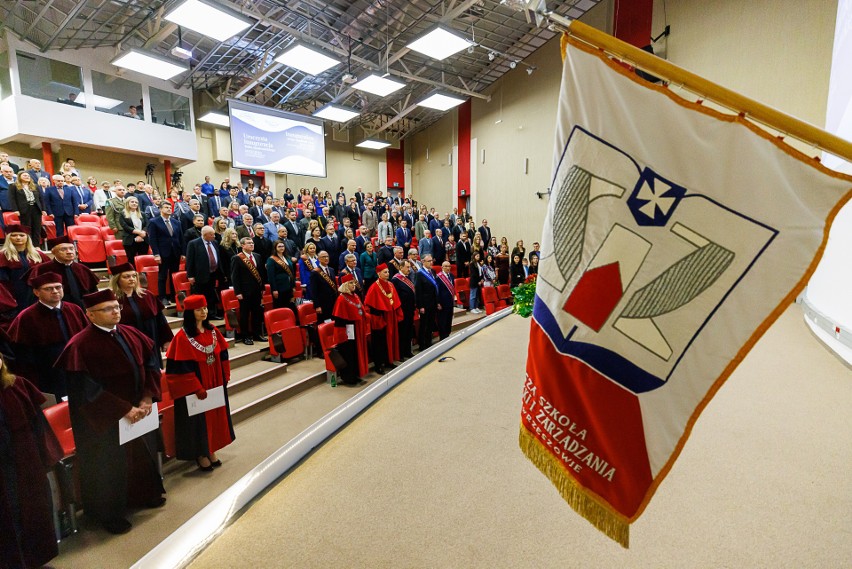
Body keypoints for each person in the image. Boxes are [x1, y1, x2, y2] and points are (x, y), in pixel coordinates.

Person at [56, 289, 165, 534]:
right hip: (102, 419)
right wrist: (124, 409)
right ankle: (111, 514)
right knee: (108, 465)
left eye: (117, 307)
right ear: (90, 315)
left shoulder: (131, 333)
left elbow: (150, 364)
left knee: (139, 454)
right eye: (108, 308)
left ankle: (145, 494)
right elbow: (85, 390)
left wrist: (147, 396)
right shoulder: (80, 344)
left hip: (138, 409)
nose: (116, 311)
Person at [0, 353, 63, 569]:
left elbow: (38, 427)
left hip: (25, 463)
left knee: (32, 510)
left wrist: (46, 458)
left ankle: (34, 561)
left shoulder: (18, 386)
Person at [164, 295, 235, 472]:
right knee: (198, 422)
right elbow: (180, 368)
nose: (203, 312)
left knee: (214, 417)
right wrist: (196, 387)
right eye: (198, 310)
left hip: (215, 382)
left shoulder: (212, 331)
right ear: (190, 313)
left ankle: (211, 449)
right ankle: (200, 453)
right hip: (195, 388)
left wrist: (225, 375)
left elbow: (223, 354)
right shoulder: (182, 338)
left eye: (204, 308)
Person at [110, 263, 173, 367]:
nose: (132, 279)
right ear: (117, 280)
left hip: (151, 340)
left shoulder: (147, 295)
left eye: (134, 276)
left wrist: (166, 339)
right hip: (129, 344)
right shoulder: (112, 300)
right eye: (126, 277)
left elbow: (160, 320)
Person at [30, 235, 100, 308]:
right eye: (63, 249)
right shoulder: (42, 269)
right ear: (54, 252)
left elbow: (93, 292)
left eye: (71, 248)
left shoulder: (83, 269)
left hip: (83, 309)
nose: (69, 252)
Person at [0, 224, 49, 312]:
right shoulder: (3, 256)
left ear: (27, 237)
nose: (18, 238)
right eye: (14, 235)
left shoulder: (38, 255)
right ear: (8, 238)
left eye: (22, 235)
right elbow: (2, 281)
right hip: (14, 294)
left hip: (36, 293)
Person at [331, 275, 369, 385]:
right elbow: (339, 318)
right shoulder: (341, 299)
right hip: (347, 331)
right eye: (351, 283)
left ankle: (356, 374)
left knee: (355, 353)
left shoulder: (355, 295)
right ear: (346, 285)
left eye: (354, 283)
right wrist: (344, 334)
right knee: (348, 354)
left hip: (356, 329)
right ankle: (348, 377)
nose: (354, 285)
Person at [364, 264, 401, 374]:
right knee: (379, 343)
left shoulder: (390, 284)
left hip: (390, 316)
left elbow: (395, 301)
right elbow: (370, 304)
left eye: (388, 272)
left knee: (389, 340)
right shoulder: (374, 287)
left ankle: (388, 360)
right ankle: (378, 365)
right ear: (378, 273)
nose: (387, 274)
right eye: (385, 272)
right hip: (379, 319)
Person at [230, 237, 267, 345]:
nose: (252, 244)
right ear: (243, 245)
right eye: (249, 243)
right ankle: (245, 336)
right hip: (244, 291)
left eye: (252, 243)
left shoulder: (257, 256)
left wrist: (262, 288)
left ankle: (256, 334)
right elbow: (235, 277)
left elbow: (261, 273)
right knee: (245, 314)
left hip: (256, 291)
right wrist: (238, 292)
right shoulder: (237, 258)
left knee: (257, 313)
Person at [147, 201, 184, 303]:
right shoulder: (154, 222)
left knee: (174, 275)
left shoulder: (176, 222)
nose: (169, 209)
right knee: (162, 276)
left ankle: (173, 297)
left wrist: (183, 253)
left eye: (170, 207)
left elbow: (180, 238)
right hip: (163, 253)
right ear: (160, 209)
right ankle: (162, 297)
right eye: (166, 207)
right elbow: (153, 240)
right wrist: (156, 254)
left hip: (175, 252)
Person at [186, 226, 226, 318]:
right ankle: (200, 316)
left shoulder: (215, 243)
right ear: (205, 235)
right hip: (200, 275)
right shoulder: (193, 244)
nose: (214, 236)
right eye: (211, 234)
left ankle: (211, 314)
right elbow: (190, 261)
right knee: (201, 296)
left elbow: (218, 258)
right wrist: (190, 275)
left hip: (213, 273)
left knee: (211, 295)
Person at [8, 172, 44, 246]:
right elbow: (12, 199)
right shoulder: (13, 186)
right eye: (24, 175)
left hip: (36, 209)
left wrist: (43, 209)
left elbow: (41, 199)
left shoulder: (35, 186)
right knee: (26, 228)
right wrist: (15, 210)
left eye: (28, 175)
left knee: (37, 228)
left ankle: (36, 246)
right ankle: (28, 246)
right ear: (19, 177)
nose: (27, 177)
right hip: (24, 209)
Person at [391, 259, 416, 360]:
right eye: (407, 267)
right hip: (402, 311)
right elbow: (396, 297)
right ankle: (400, 354)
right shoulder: (396, 280)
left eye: (409, 267)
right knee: (402, 333)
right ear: (401, 268)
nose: (409, 269)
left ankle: (407, 351)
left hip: (410, 310)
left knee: (409, 332)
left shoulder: (408, 277)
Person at [414, 255, 439, 350]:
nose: (431, 263)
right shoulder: (419, 273)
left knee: (430, 324)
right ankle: (422, 345)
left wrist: (437, 301)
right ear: (423, 261)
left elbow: (435, 288)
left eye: (431, 261)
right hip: (424, 304)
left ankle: (429, 342)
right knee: (424, 325)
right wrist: (420, 306)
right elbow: (418, 291)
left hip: (432, 302)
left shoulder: (433, 271)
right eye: (428, 261)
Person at [119, 196, 149, 265]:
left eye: (136, 202)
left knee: (143, 260)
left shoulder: (142, 213)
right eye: (132, 202)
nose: (134, 203)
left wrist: (142, 234)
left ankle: (142, 275)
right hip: (130, 240)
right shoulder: (123, 214)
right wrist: (139, 232)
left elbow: (147, 225)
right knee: (131, 260)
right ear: (127, 203)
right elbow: (125, 226)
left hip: (143, 239)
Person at [266, 241, 296, 311]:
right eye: (279, 246)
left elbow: (292, 272)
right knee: (280, 307)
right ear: (275, 248)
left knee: (289, 306)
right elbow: (271, 276)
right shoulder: (271, 259)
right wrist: (274, 289)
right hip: (279, 288)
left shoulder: (287, 257)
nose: (281, 248)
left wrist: (293, 285)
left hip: (289, 286)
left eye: (283, 246)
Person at [309, 250, 339, 321]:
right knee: (325, 322)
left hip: (333, 301)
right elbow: (314, 291)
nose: (326, 258)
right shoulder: (315, 272)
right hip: (323, 303)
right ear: (319, 259)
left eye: (327, 256)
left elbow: (334, 286)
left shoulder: (331, 270)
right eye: (323, 257)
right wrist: (317, 306)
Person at [435, 261, 456, 340]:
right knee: (442, 321)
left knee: (448, 320)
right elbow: (437, 291)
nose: (448, 268)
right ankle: (443, 338)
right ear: (442, 267)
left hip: (450, 302)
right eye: (446, 266)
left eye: (449, 266)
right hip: (442, 303)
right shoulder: (438, 277)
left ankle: (447, 335)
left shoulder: (451, 276)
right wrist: (438, 302)